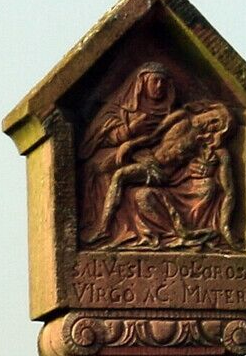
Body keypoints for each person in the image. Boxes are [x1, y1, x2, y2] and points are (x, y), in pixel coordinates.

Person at [83, 63, 236, 249]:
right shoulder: (180, 117)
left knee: (120, 176)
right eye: (155, 81)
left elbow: (213, 170)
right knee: (96, 168)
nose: (159, 87)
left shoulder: (203, 141)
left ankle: (104, 228)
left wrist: (226, 227)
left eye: (215, 124)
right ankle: (101, 226)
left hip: (163, 173)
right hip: (148, 158)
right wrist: (130, 142)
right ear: (141, 83)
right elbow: (153, 137)